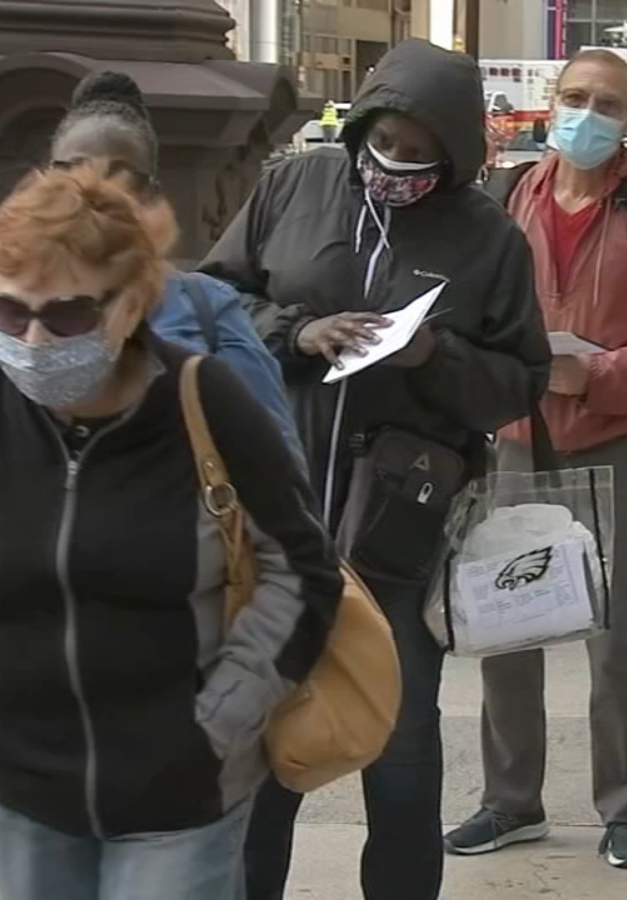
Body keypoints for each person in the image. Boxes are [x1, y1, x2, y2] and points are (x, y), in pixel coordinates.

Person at [0, 162, 343, 899]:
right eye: (8, 313)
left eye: (67, 315)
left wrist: (225, 716)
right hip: (16, 782)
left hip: (184, 784)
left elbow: (303, 566)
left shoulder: (206, 402)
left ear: (130, 302)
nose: (34, 340)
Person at [201, 40, 550, 900]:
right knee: (260, 744)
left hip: (396, 529)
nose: (392, 164)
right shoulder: (294, 187)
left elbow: (518, 379)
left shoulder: (488, 239)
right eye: (381, 142)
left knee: (399, 743)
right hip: (273, 517)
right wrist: (297, 331)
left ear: (455, 157)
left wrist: (430, 353)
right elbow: (214, 299)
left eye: (416, 153)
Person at [446, 47, 627, 871]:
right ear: (549, 102)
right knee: (506, 627)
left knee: (620, 637)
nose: (587, 114)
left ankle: (624, 807)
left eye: (606, 103)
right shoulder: (506, 198)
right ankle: (510, 799)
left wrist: (596, 375)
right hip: (516, 444)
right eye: (575, 97)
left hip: (615, 444)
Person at [0, 71, 300, 463]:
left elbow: (274, 460)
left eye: (117, 174)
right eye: (70, 169)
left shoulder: (207, 306)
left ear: (148, 192)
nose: (88, 188)